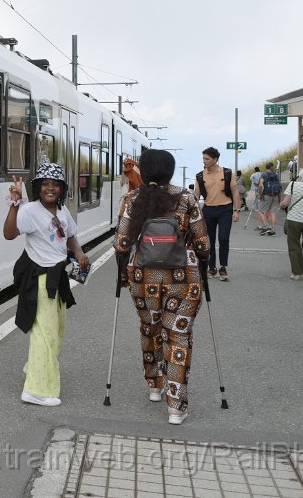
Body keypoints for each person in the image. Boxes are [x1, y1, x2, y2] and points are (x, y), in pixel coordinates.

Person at [114, 149, 210, 425]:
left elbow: (121, 244)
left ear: (143, 171)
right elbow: (203, 245)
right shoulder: (187, 198)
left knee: (151, 328)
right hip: (184, 279)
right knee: (177, 335)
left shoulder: (132, 199)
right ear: (170, 171)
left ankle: (155, 385)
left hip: (143, 278)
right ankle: (176, 406)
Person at [4, 162, 89, 407]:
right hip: (39, 278)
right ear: (38, 187)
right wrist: (14, 204)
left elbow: (71, 236)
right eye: (45, 185)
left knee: (57, 330)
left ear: (61, 189)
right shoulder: (29, 211)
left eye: (55, 185)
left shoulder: (62, 212)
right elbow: (9, 234)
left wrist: (80, 253)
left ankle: (35, 365)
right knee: (45, 332)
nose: (49, 189)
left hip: (58, 276)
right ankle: (37, 390)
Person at [195, 147, 241, 281]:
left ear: (215, 159)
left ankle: (223, 267)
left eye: (207, 159)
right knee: (209, 240)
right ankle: (212, 268)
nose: (204, 161)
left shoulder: (226, 173)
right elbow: (196, 195)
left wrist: (236, 211)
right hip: (208, 210)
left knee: (223, 238)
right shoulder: (200, 175)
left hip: (225, 209)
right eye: (203, 158)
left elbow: (235, 192)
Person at [256, 162, 282, 236]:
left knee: (260, 210)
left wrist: (260, 195)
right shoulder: (275, 175)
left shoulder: (263, 175)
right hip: (276, 195)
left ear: (266, 167)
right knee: (273, 212)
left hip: (267, 195)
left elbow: (260, 185)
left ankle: (266, 226)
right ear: (272, 167)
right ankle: (272, 230)